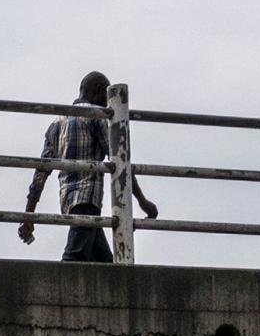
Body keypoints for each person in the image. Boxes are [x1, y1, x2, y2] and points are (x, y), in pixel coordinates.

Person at [19, 71, 157, 261]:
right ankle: (48, 290)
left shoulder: (57, 123)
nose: (108, 107)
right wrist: (142, 201)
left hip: (68, 200)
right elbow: (120, 162)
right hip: (87, 198)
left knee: (105, 264)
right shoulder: (96, 117)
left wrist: (29, 214)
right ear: (99, 92)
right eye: (106, 101)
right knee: (74, 257)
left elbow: (40, 173)